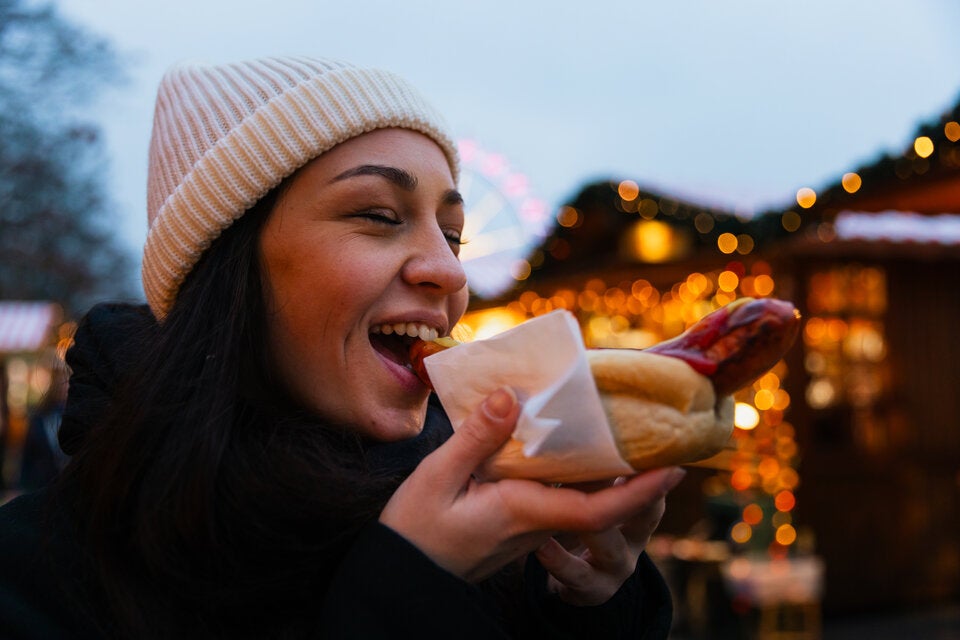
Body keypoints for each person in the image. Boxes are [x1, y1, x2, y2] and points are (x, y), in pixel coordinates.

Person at [0, 55, 682, 639]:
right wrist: (409, 590)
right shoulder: (38, 576)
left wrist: (588, 610)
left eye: (454, 235)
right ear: (230, 267)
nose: (449, 272)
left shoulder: (506, 526)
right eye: (378, 215)